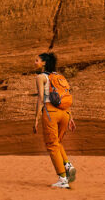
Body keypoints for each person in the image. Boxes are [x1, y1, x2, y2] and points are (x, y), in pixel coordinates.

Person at [32, 52, 77, 189]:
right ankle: (67, 165)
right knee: (57, 142)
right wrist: (71, 117)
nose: (35, 62)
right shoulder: (59, 76)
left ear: (44, 63)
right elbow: (66, 95)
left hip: (51, 112)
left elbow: (41, 98)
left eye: (37, 60)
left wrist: (36, 118)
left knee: (51, 145)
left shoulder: (41, 77)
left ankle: (63, 179)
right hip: (65, 113)